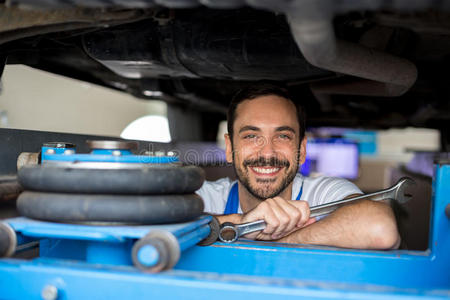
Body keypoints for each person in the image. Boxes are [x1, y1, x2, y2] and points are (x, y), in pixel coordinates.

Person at [196, 83, 400, 249]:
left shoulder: (324, 192)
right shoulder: (207, 197)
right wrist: (241, 224)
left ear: (301, 150)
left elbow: (380, 229)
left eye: (283, 136)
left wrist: (276, 243)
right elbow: (163, 218)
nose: (267, 153)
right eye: (251, 136)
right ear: (230, 147)